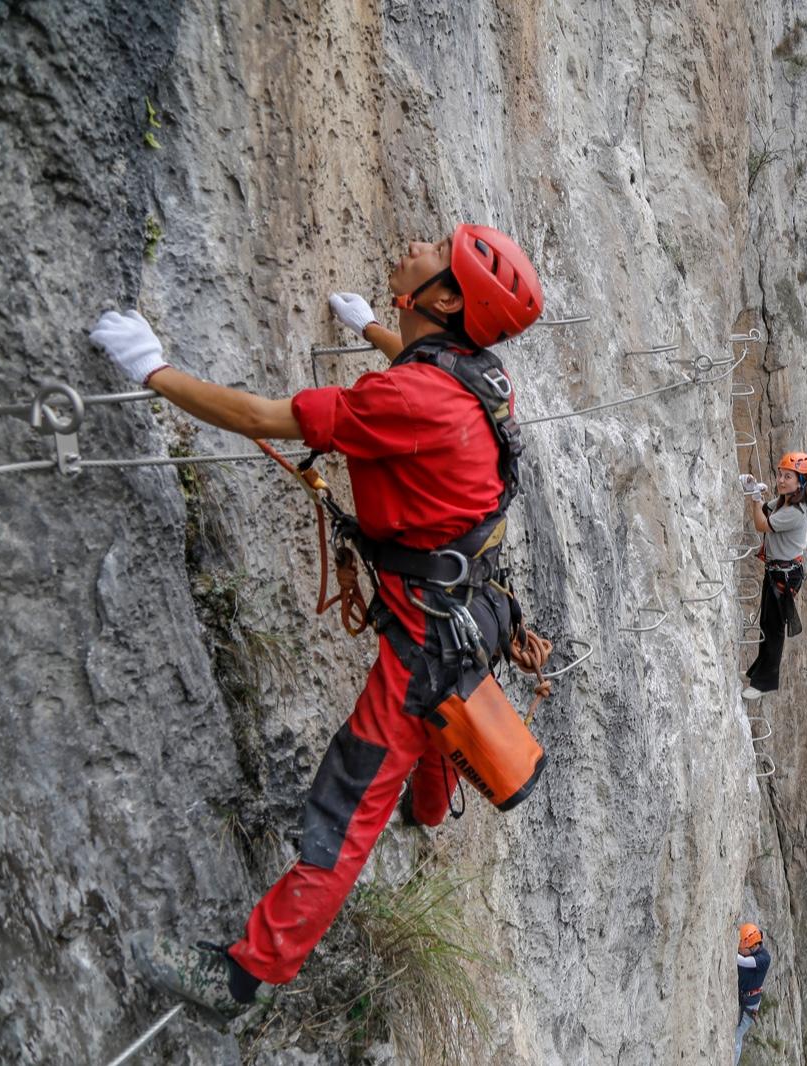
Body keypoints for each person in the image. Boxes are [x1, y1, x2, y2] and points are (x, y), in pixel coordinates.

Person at [90, 223, 544, 1020]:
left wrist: (154, 370)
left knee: (345, 808)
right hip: (473, 607)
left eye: (435, 253)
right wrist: (372, 327)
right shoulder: (480, 372)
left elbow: (262, 417)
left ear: (444, 300)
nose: (414, 243)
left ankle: (244, 976)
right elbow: (423, 372)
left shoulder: (406, 398)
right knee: (450, 709)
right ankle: (428, 808)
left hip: (425, 644)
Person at [738, 452, 807, 700]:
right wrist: (756, 492)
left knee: (773, 629)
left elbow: (762, 524)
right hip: (778, 571)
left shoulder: (796, 511)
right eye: (780, 475)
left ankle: (764, 683)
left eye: (788, 477)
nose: (781, 480)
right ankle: (757, 672)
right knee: (767, 623)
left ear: (800, 482)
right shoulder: (785, 502)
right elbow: (765, 509)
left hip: (784, 576)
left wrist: (754, 497)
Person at [735, 923, 772, 1063]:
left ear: (752, 946)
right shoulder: (748, 950)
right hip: (743, 998)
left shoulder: (764, 958)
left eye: (741, 948)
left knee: (735, 1038)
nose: (739, 950)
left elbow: (744, 962)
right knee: (736, 1038)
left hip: (750, 1005)